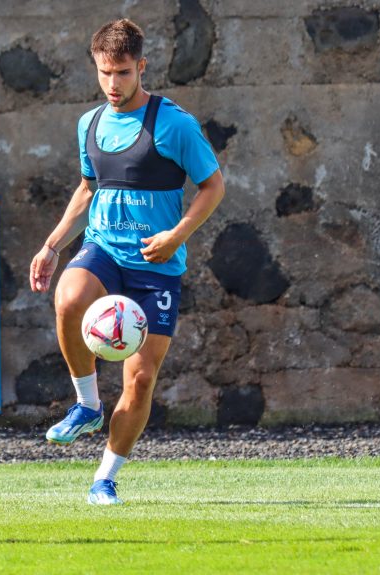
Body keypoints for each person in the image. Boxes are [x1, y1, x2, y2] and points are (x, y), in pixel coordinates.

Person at [29, 18, 225, 505]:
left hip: (154, 266)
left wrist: (176, 234)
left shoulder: (174, 124)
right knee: (69, 297)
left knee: (138, 380)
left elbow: (213, 187)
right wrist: (52, 246)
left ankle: (105, 478)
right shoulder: (89, 124)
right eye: (103, 73)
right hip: (104, 249)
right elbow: (87, 190)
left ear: (141, 67)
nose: (112, 84)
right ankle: (87, 404)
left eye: (121, 72)